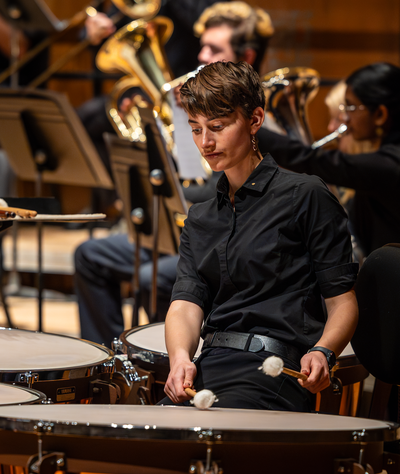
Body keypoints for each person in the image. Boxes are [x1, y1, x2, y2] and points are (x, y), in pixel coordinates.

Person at [161, 61, 358, 411]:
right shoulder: (201, 217)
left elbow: (342, 302)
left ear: (255, 119)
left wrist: (322, 350)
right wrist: (179, 359)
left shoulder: (306, 195)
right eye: (195, 129)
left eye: (217, 127)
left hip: (274, 372)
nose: (205, 142)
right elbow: (186, 304)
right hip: (210, 365)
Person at [75, 2, 274, 346]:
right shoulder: (191, 110)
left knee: (152, 276)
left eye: (214, 49)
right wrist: (153, 134)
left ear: (247, 58)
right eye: (202, 46)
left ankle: (162, 362)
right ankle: (109, 359)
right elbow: (183, 175)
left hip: (219, 240)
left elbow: (215, 190)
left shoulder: (257, 121)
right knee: (89, 255)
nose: (201, 55)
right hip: (178, 229)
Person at [260, 62, 400, 260]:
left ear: (380, 114)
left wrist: (250, 128)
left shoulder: (389, 166)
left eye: (351, 107)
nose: (345, 117)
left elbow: (311, 160)